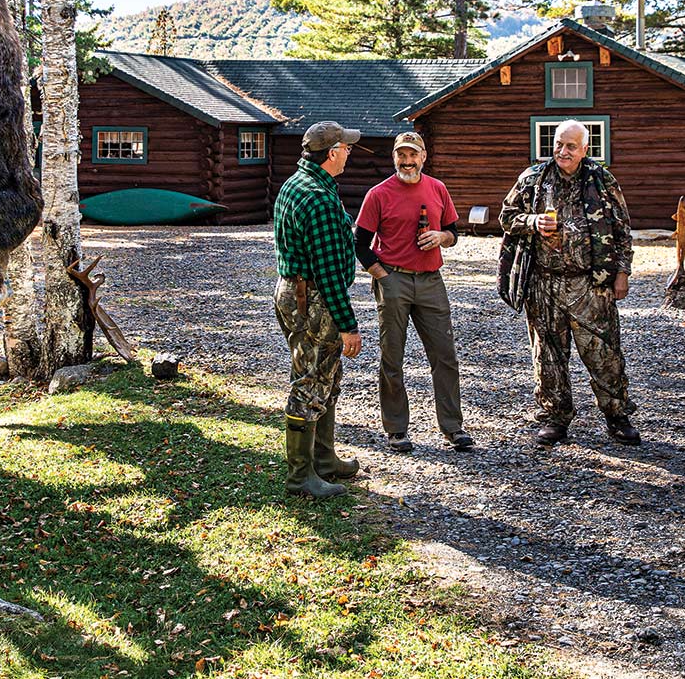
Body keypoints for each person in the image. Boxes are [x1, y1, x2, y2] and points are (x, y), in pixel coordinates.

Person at [499, 119, 640, 448]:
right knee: (547, 355)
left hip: (592, 284)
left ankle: (617, 416)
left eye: (571, 146)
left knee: (604, 354)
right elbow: (507, 216)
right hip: (543, 283)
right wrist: (533, 221)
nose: (563, 151)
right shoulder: (533, 178)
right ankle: (554, 417)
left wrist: (622, 273)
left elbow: (622, 228)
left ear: (585, 150)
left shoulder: (602, 180)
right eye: (559, 144)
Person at [354, 131, 474, 454]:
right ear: (394, 157)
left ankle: (453, 427)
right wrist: (383, 277)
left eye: (413, 155)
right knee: (392, 356)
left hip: (432, 280)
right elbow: (360, 245)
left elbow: (453, 233)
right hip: (395, 280)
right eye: (401, 155)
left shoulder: (437, 189)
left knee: (444, 355)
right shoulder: (378, 194)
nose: (407, 161)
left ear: (423, 157)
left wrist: (440, 237)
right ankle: (396, 430)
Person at [271, 120, 366, 499]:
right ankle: (301, 477)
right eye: (346, 147)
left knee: (326, 376)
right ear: (331, 153)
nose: (349, 152)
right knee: (310, 381)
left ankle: (324, 460)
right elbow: (327, 272)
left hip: (296, 293)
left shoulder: (299, 183)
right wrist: (348, 326)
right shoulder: (319, 199)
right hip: (313, 300)